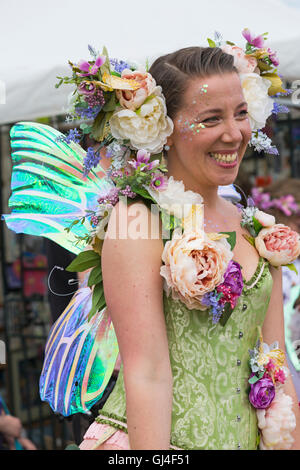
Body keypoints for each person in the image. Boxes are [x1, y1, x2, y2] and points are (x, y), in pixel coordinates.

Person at [3, 31, 300, 451]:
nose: (234, 134)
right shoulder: (135, 222)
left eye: (240, 113)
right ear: (164, 127)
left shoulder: (254, 226)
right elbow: (148, 373)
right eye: (211, 118)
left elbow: (277, 365)